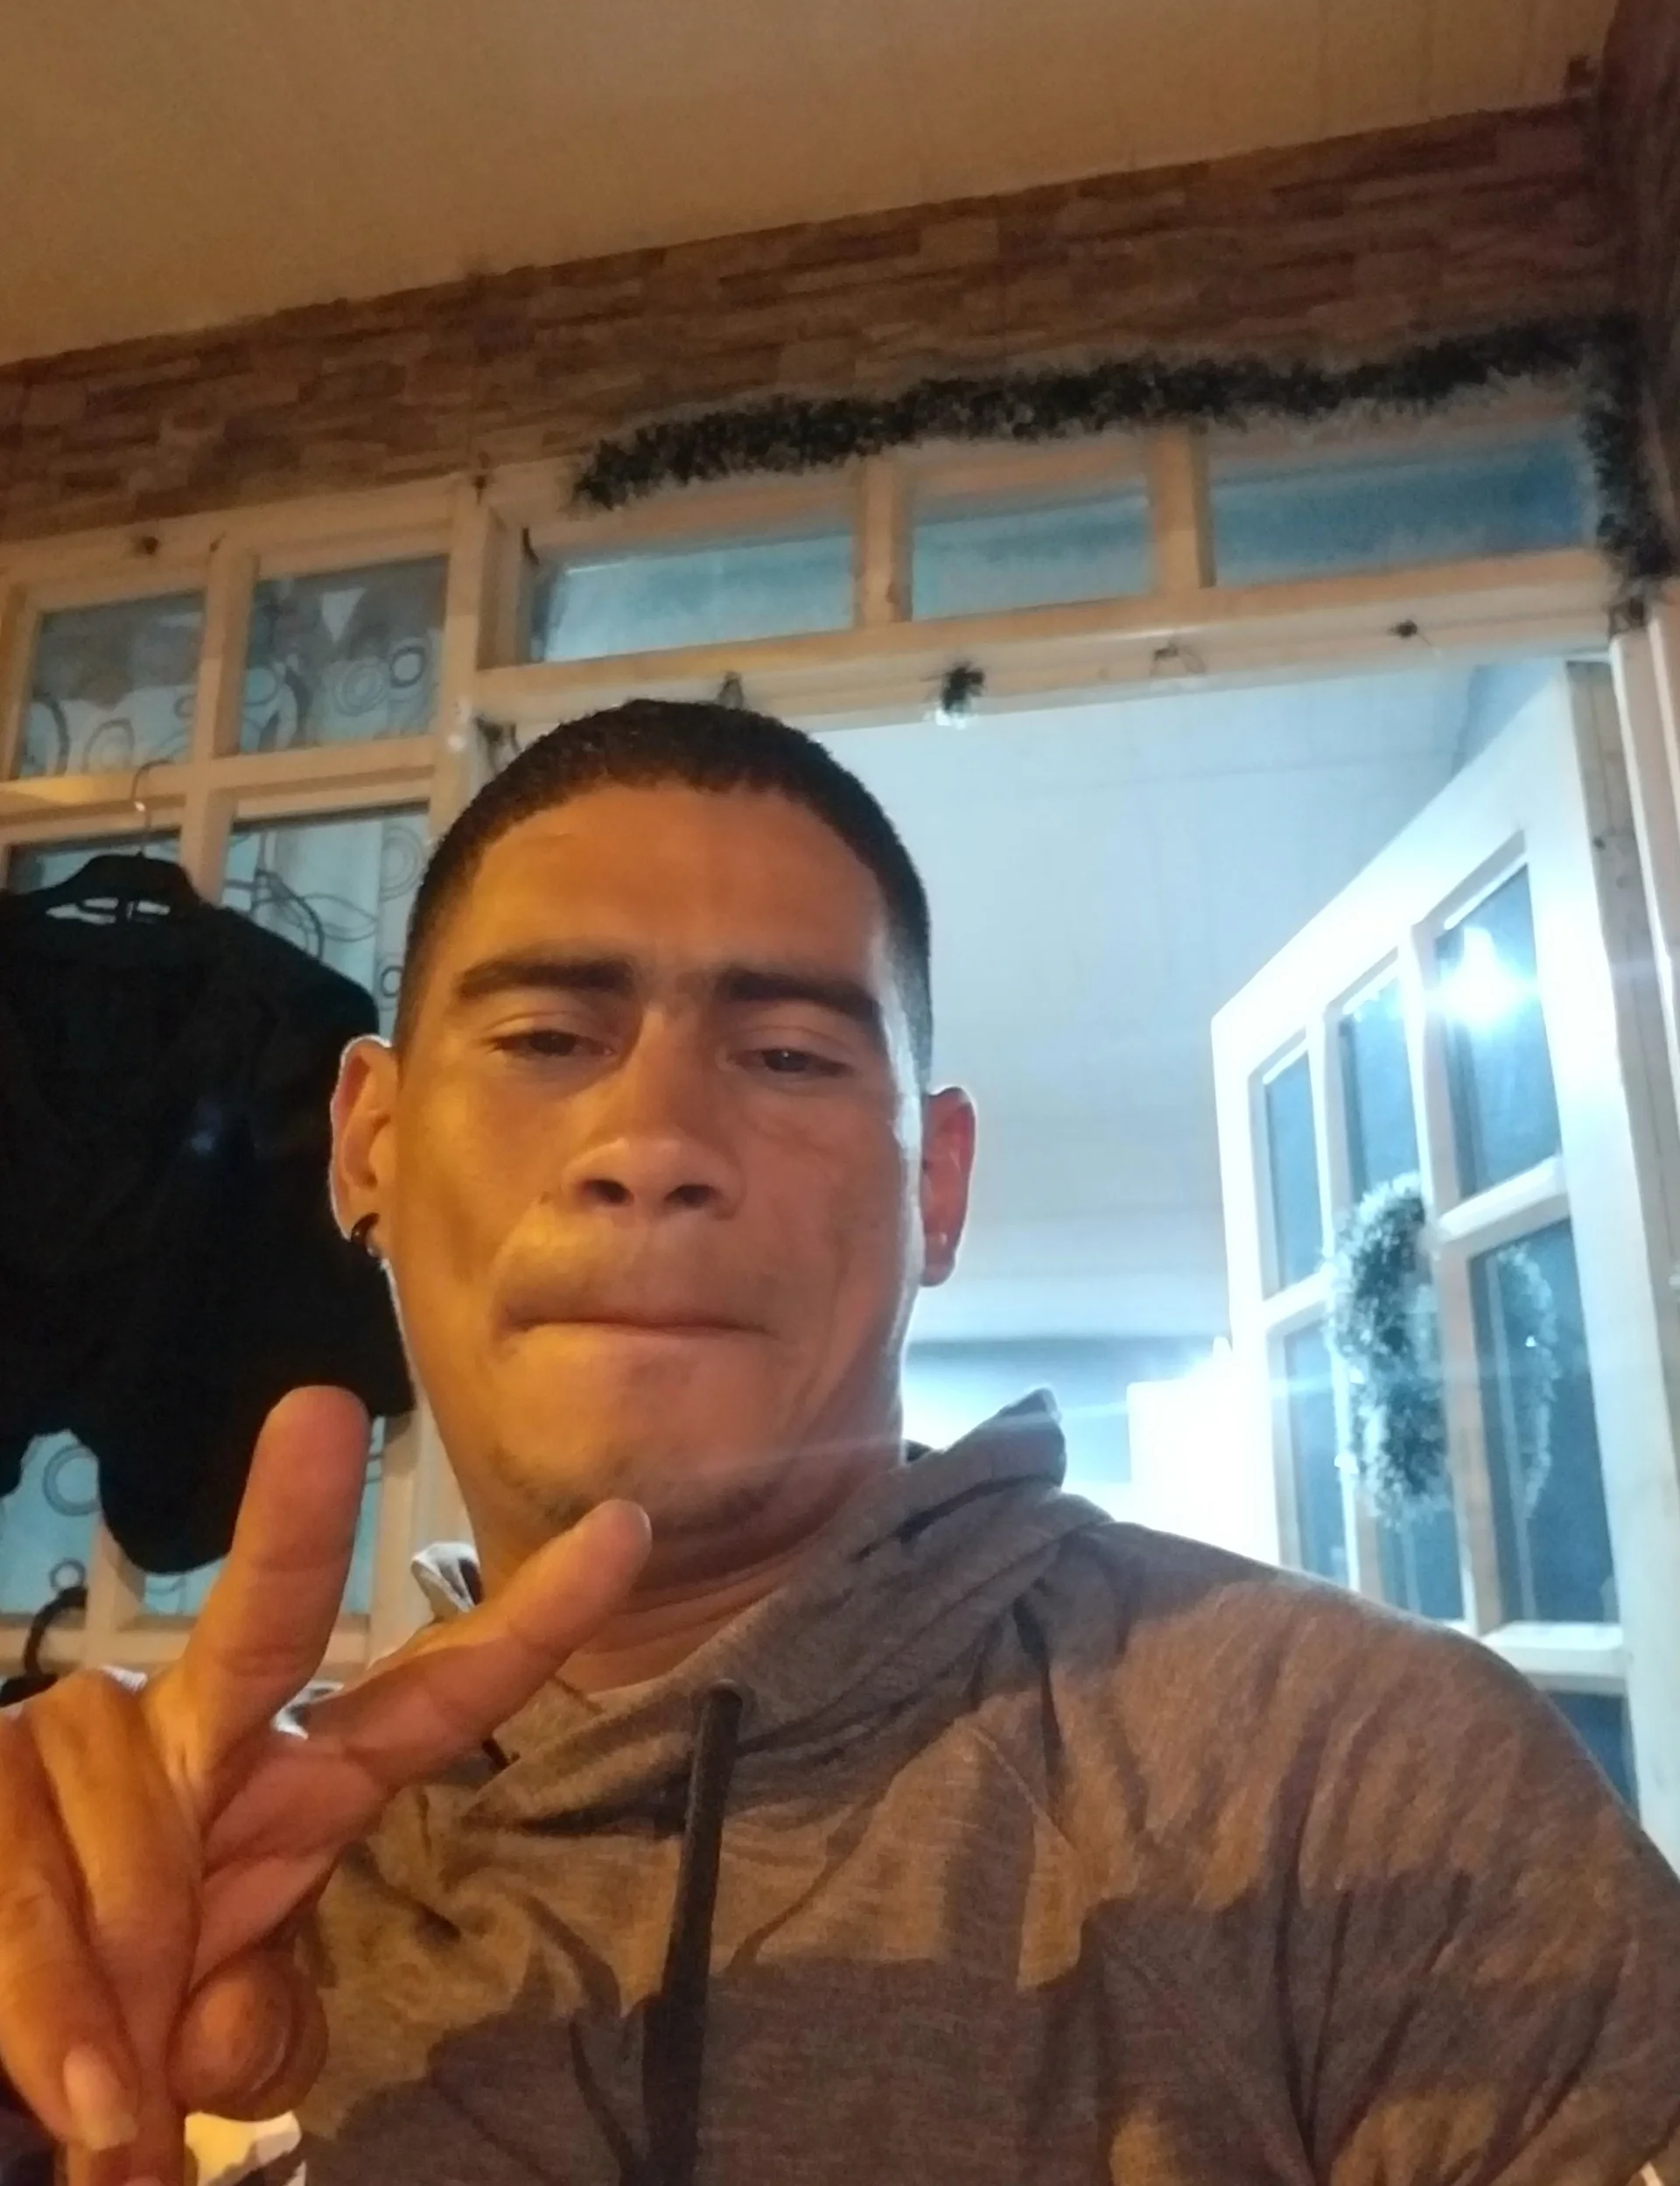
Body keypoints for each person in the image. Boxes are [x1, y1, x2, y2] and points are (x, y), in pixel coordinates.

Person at [2, 696, 1678, 2186]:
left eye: (792, 1055)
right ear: (368, 1142)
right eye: (546, 1041)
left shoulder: (1344, 1785)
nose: (653, 1142)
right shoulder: (217, 1894)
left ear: (935, 1187)